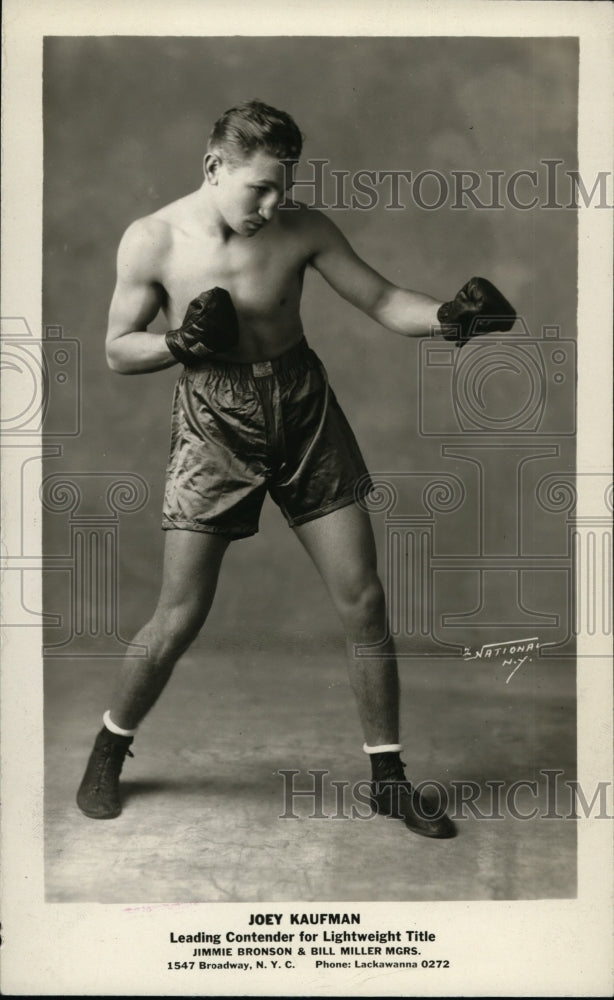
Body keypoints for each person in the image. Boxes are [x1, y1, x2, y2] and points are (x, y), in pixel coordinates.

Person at [76, 100, 515, 838]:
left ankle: (388, 781)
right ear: (215, 168)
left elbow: (380, 298)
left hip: (304, 410)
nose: (275, 203)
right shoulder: (151, 241)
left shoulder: (303, 229)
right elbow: (119, 349)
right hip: (214, 424)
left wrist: (451, 317)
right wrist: (180, 344)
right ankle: (107, 751)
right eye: (261, 188)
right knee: (179, 614)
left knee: (364, 598)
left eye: (285, 186)